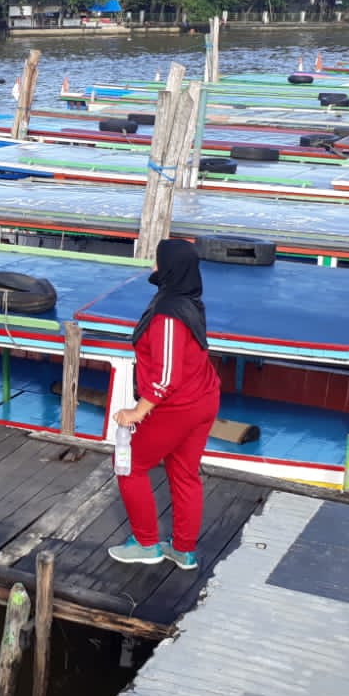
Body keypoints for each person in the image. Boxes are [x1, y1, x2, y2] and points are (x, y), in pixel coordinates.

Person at [108, 239, 221, 570]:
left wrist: (137, 412)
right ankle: (183, 550)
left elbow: (167, 376)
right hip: (203, 397)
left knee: (128, 464)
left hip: (178, 406)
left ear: (169, 268)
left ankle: (146, 543)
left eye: (157, 261)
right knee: (184, 474)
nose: (153, 267)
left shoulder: (168, 315)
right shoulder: (190, 300)